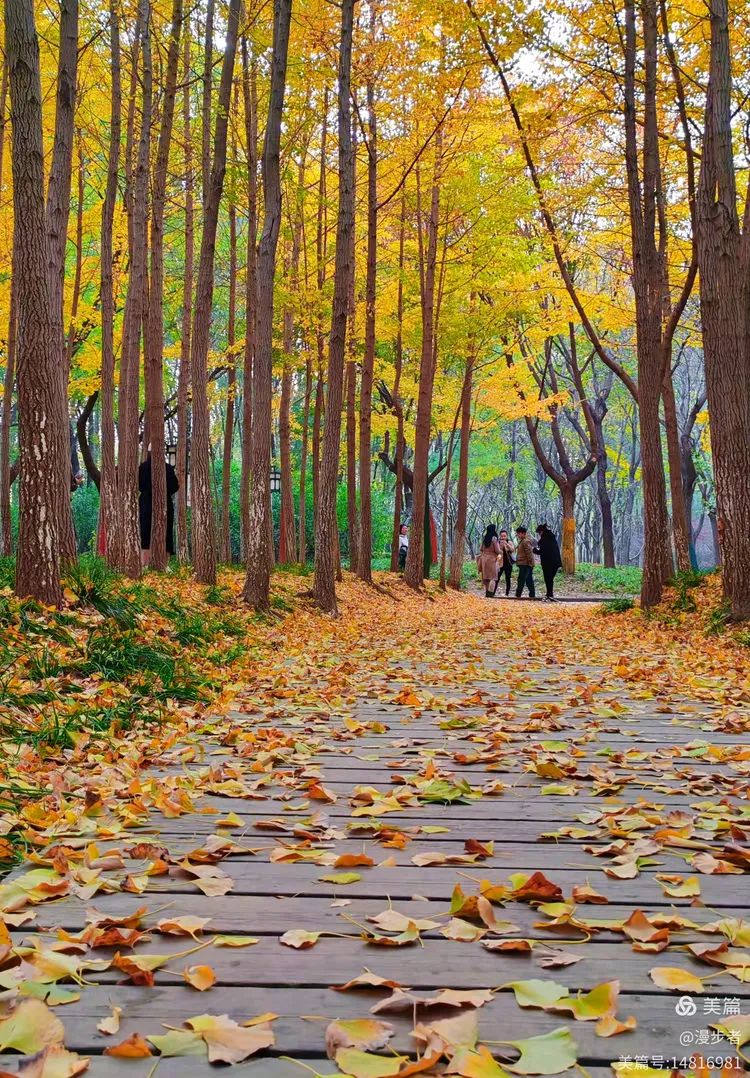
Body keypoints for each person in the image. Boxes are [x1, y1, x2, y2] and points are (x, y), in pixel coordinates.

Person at [139, 451, 179, 566]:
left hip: (146, 502)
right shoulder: (168, 468)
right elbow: (175, 486)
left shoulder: (142, 467)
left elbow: (138, 484)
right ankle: (164, 564)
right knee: (166, 530)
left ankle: (145, 563)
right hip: (164, 502)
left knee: (145, 531)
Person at [536, 522, 562, 601]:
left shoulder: (544, 539)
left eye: (539, 533)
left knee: (548, 579)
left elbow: (542, 551)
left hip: (548, 563)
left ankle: (549, 595)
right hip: (556, 563)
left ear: (541, 531)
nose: (539, 535)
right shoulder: (551, 537)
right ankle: (549, 594)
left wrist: (534, 550)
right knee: (550, 579)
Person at [478, 524, 501, 597]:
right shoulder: (494, 538)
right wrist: (501, 552)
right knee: (493, 577)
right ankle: (490, 594)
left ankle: (487, 593)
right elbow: (497, 550)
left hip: (484, 559)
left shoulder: (485, 538)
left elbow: (481, 549)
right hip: (492, 559)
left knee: (486, 577)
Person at [515, 525, 536, 599]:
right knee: (528, 580)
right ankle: (532, 595)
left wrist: (530, 563)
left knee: (521, 579)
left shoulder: (526, 541)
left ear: (523, 533)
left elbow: (529, 552)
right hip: (524, 563)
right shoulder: (523, 540)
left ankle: (518, 594)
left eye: (518, 533)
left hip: (525, 564)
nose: (518, 535)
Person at [493, 529, 515, 596]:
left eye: (504, 536)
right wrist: (501, 547)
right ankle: (493, 592)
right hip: (500, 564)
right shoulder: (497, 542)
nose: (503, 537)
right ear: (500, 536)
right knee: (497, 578)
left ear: (507, 536)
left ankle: (507, 593)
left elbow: (512, 550)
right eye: (502, 536)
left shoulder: (509, 542)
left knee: (508, 579)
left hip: (508, 563)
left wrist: (507, 545)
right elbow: (496, 552)